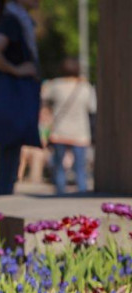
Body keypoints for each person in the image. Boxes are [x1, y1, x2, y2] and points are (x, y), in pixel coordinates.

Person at [0, 0, 42, 196]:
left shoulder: (17, 19)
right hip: (11, 101)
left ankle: (0, 212)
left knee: (9, 162)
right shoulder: (13, 21)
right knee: (7, 165)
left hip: (11, 101)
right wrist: (17, 70)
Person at [42, 57, 96, 195]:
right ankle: (82, 192)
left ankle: (60, 193)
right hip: (80, 132)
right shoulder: (85, 87)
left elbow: (43, 98)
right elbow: (92, 108)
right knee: (80, 168)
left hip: (60, 131)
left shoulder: (55, 85)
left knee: (59, 167)